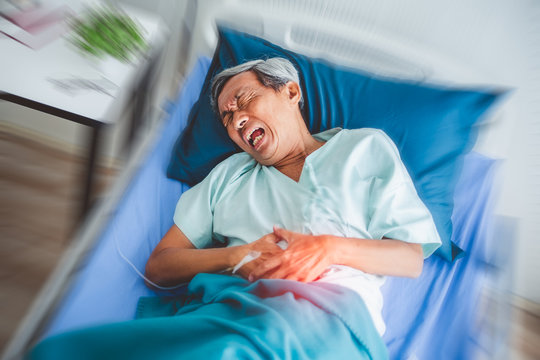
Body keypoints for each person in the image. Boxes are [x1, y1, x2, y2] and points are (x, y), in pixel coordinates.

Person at [145, 57, 441, 336]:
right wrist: (237, 255)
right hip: (237, 316)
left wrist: (328, 248)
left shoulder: (363, 149)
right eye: (227, 119)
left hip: (331, 321)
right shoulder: (228, 176)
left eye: (245, 101)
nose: (236, 122)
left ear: (291, 92)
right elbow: (159, 266)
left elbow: (409, 259)